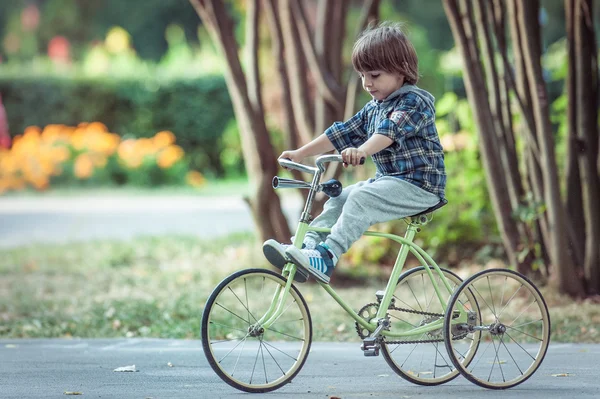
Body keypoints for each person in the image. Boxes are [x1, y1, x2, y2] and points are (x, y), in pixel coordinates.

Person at [263, 22, 446, 284]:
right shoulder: (375, 107)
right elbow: (342, 132)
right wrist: (301, 153)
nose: (367, 83)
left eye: (374, 75)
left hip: (420, 186)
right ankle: (305, 248)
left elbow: (389, 131)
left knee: (360, 197)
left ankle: (326, 258)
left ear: (401, 71)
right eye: (362, 76)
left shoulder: (415, 102)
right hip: (389, 182)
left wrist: (361, 150)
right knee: (338, 198)